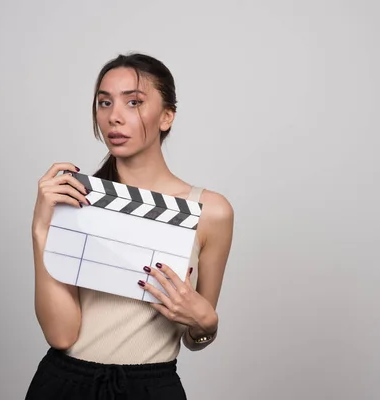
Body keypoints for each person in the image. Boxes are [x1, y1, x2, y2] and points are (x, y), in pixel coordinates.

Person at [25, 52, 234, 399]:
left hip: (151, 386)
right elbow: (61, 336)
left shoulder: (210, 211)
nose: (114, 117)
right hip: (65, 383)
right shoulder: (76, 199)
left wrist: (206, 323)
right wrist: (41, 231)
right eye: (104, 103)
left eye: (133, 102)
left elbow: (194, 334)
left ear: (167, 116)